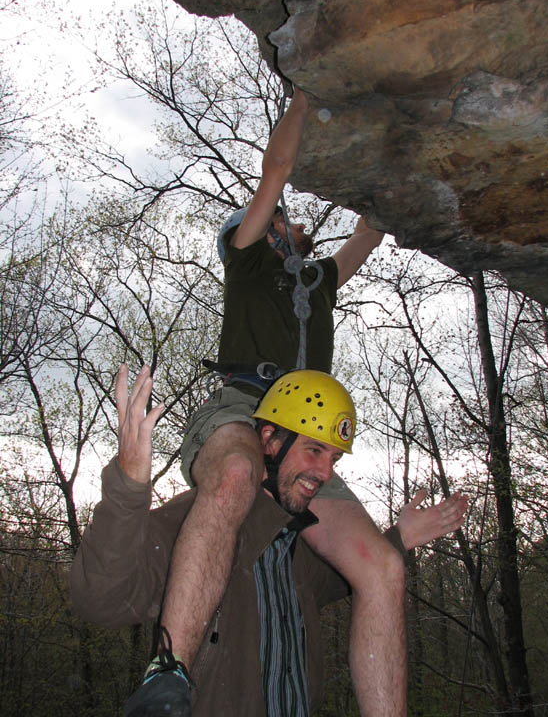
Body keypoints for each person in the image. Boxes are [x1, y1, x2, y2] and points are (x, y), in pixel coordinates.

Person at [124, 88, 467, 715]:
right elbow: (275, 172)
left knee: (383, 570)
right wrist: (305, 101)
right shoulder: (248, 259)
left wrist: (395, 165)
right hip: (244, 409)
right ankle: (169, 670)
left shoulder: (317, 284)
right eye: (281, 219)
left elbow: (370, 233)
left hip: (304, 439)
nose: (291, 223)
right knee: (233, 476)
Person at [71, 366, 401, 716]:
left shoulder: (298, 544)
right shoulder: (197, 525)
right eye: (314, 450)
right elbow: (101, 600)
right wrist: (128, 486)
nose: (325, 473)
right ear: (271, 440)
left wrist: (400, 537)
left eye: (333, 458)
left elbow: (342, 580)